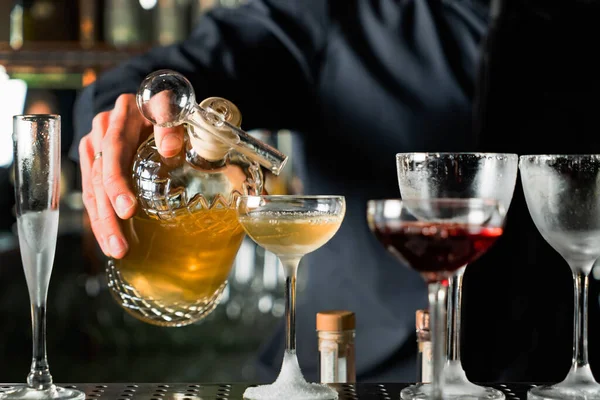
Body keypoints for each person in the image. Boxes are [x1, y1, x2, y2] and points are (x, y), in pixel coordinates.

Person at [71, 0, 513, 383]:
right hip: (348, 374)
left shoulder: (574, 29)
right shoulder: (332, 13)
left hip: (557, 373)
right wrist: (127, 110)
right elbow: (202, 63)